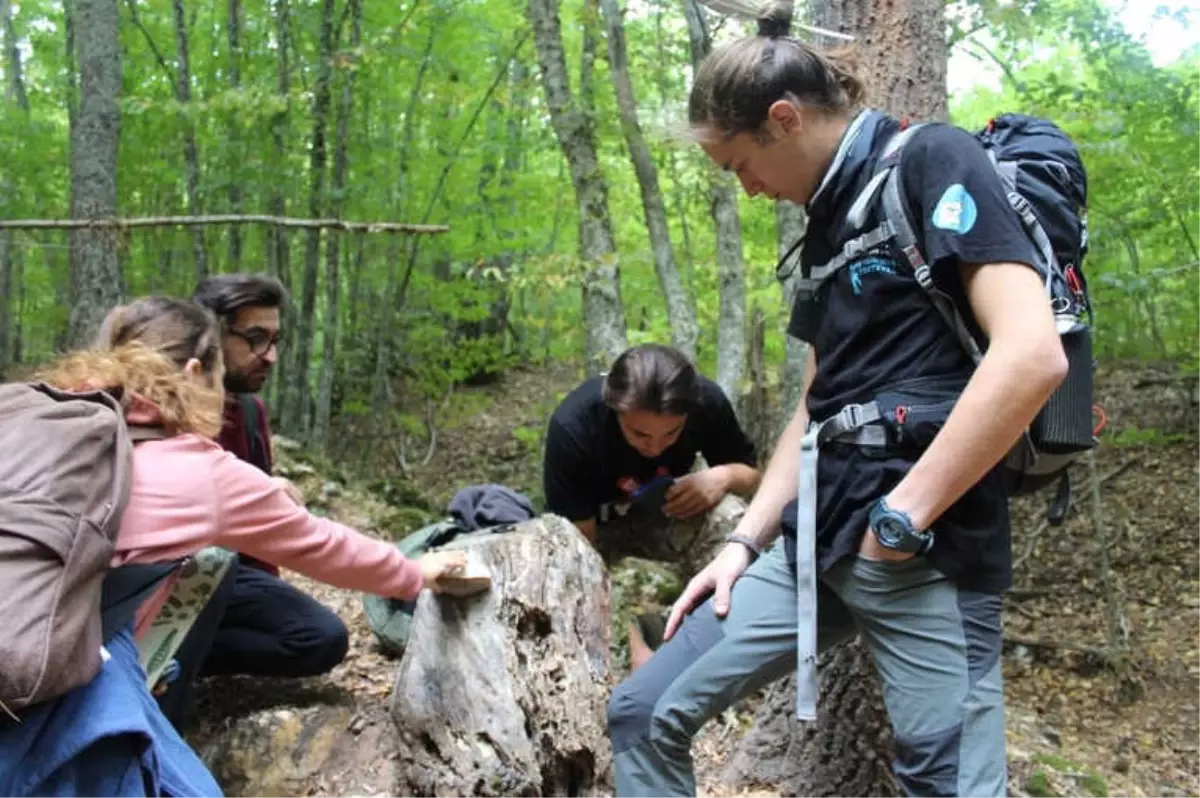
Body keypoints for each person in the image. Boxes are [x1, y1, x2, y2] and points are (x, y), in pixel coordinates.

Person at [605, 3, 1069, 796]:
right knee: (643, 715)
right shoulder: (825, 223)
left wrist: (902, 519)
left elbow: (1030, 355)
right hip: (813, 545)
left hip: (927, 553)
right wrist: (740, 544)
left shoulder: (933, 161)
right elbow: (817, 401)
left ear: (783, 119)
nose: (745, 189)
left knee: (948, 783)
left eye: (739, 164)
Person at [0, 296, 466, 796]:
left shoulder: (39, 420)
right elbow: (322, 545)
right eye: (218, 381)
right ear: (196, 372)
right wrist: (417, 573)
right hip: (58, 682)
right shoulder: (199, 470)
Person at [144, 273, 340, 730]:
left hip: (228, 577)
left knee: (322, 638)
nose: (269, 356)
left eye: (275, 340)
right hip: (154, 582)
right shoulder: (158, 413)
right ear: (210, 336)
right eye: (255, 339)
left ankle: (186, 657)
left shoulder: (251, 413)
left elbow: (258, 543)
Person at [542, 343, 760, 666]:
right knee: (568, 574)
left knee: (731, 515)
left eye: (672, 433)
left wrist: (722, 477)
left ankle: (702, 630)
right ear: (615, 410)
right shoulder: (574, 426)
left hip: (668, 509)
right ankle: (625, 645)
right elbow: (579, 550)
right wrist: (615, 627)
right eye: (640, 434)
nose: (655, 447)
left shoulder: (707, 401)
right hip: (594, 529)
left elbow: (754, 476)